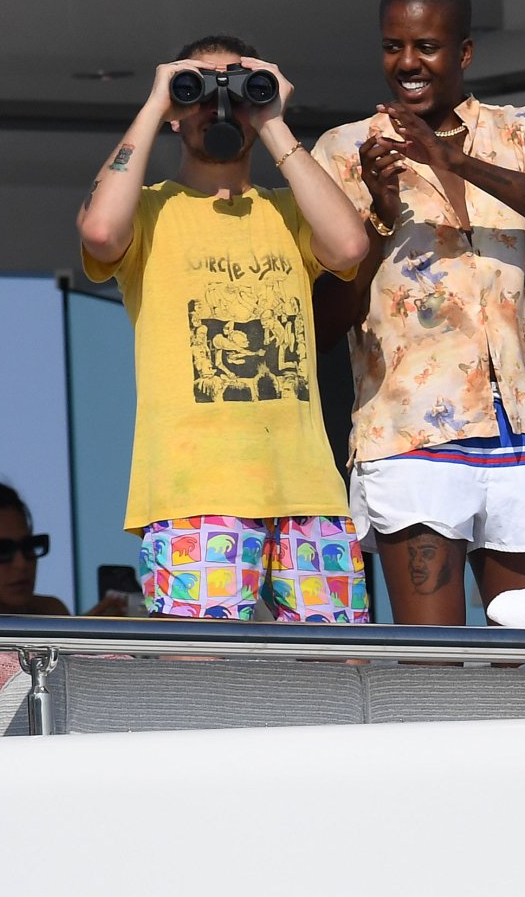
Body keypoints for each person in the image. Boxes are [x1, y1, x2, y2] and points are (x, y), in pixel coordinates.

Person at [313, 0, 525, 625]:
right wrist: (380, 219)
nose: (407, 62)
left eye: (427, 46)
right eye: (393, 46)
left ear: (463, 52)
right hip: (413, 433)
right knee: (435, 661)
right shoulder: (345, 151)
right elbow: (324, 321)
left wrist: (452, 160)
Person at [77, 35, 371, 622]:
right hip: (194, 492)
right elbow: (101, 233)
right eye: (198, 93)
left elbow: (349, 246)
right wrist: (155, 104)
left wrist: (271, 119)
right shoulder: (150, 211)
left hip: (307, 488)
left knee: (340, 665)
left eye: (235, 92)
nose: (218, 108)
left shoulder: (287, 210)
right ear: (176, 113)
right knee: (204, 667)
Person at [0, 482, 114, 734]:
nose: (21, 563)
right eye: (1, 550)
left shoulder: (49, 611)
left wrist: (95, 639)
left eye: (29, 546)